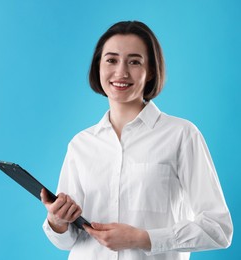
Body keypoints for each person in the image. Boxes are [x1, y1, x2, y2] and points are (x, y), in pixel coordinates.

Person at [40, 21, 233, 260]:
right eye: (111, 60)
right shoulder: (81, 144)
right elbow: (67, 241)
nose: (121, 72)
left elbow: (218, 229)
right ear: (98, 66)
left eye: (134, 61)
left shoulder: (181, 135)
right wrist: (57, 221)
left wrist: (141, 239)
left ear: (150, 70)